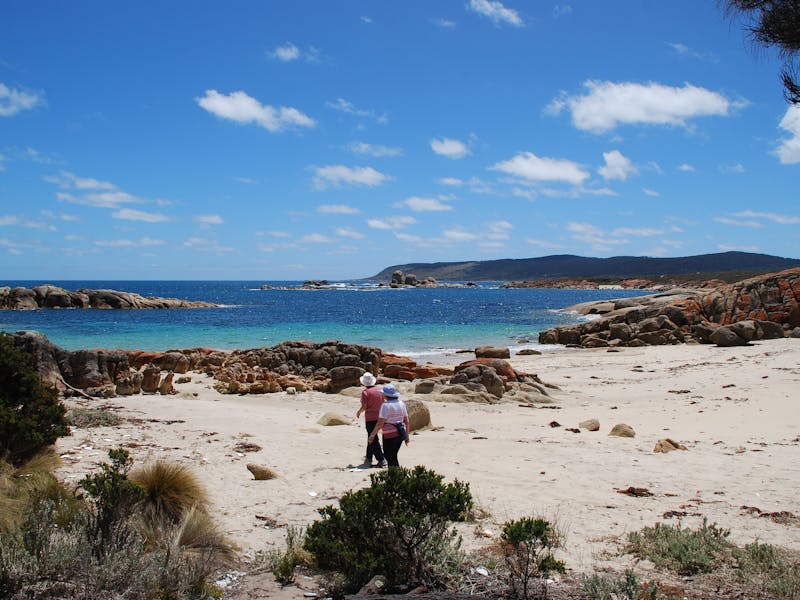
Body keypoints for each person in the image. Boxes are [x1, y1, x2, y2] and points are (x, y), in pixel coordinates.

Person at [368, 383, 410, 467]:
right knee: (393, 455)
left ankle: (395, 476)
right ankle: (396, 476)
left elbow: (380, 423)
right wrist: (407, 435)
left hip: (389, 434)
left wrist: (372, 435)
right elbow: (406, 421)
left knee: (389, 456)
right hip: (401, 432)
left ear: (385, 395)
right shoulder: (401, 403)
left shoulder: (385, 405)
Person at [355, 372, 386, 468]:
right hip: (381, 416)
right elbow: (383, 401)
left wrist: (359, 412)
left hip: (371, 418)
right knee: (372, 437)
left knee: (372, 438)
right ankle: (369, 457)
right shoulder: (380, 390)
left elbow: (364, 406)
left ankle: (381, 459)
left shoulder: (365, 393)